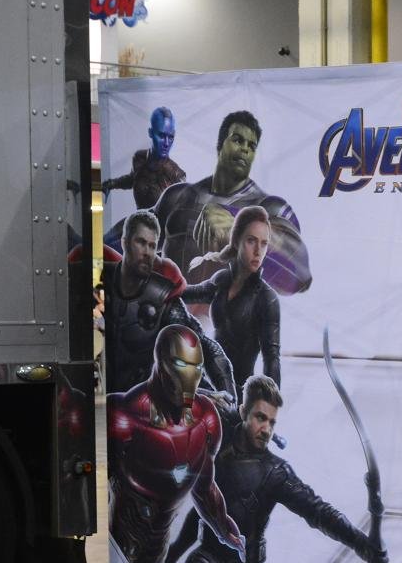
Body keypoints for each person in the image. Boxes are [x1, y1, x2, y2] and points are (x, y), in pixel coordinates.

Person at [180, 375, 386, 563]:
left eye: (272, 422)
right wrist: (207, 395)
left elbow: (318, 511)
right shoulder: (220, 430)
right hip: (207, 560)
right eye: (260, 418)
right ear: (243, 412)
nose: (267, 430)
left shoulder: (276, 472)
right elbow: (179, 385)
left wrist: (363, 546)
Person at [110, 110, 311, 296]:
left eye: (252, 146)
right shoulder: (178, 196)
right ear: (220, 144)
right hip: (168, 314)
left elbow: (299, 275)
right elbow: (128, 235)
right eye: (238, 140)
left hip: (226, 320)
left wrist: (238, 226)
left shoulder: (269, 207)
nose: (245, 149)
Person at [107, 324, 244, 563]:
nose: (191, 376)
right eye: (182, 365)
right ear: (162, 363)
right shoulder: (126, 415)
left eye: (197, 368)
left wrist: (223, 527)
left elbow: (204, 485)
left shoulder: (206, 419)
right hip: (123, 537)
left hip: (158, 542)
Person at [101, 210, 235, 398]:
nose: (147, 252)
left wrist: (226, 398)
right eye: (141, 242)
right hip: (97, 403)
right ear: (125, 242)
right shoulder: (98, 279)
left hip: (146, 405)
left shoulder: (162, 299)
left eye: (152, 246)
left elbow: (206, 348)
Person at [181, 205, 281, 400]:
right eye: (251, 241)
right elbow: (189, 293)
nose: (258, 251)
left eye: (264, 244)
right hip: (207, 387)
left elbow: (272, 359)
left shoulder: (266, 298)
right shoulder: (222, 280)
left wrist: (268, 405)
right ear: (236, 241)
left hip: (238, 397)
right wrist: (158, 283)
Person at [101, 106, 186, 211]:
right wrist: (111, 184)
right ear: (150, 132)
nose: (167, 143)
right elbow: (133, 178)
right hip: (137, 219)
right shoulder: (140, 158)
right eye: (161, 136)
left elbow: (182, 212)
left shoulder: (177, 175)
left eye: (171, 137)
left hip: (158, 222)